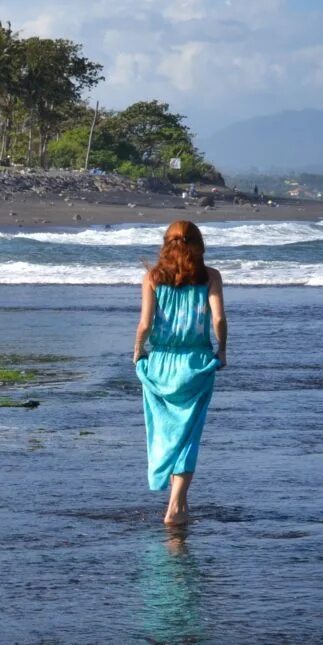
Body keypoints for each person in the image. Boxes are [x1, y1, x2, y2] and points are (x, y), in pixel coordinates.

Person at [133, 220, 226, 526]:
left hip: (160, 365)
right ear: (199, 245)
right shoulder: (210, 276)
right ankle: (176, 507)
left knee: (164, 432)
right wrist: (221, 350)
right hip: (196, 365)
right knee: (188, 436)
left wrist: (138, 352)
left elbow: (145, 324)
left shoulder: (153, 277)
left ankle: (179, 505)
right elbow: (219, 319)